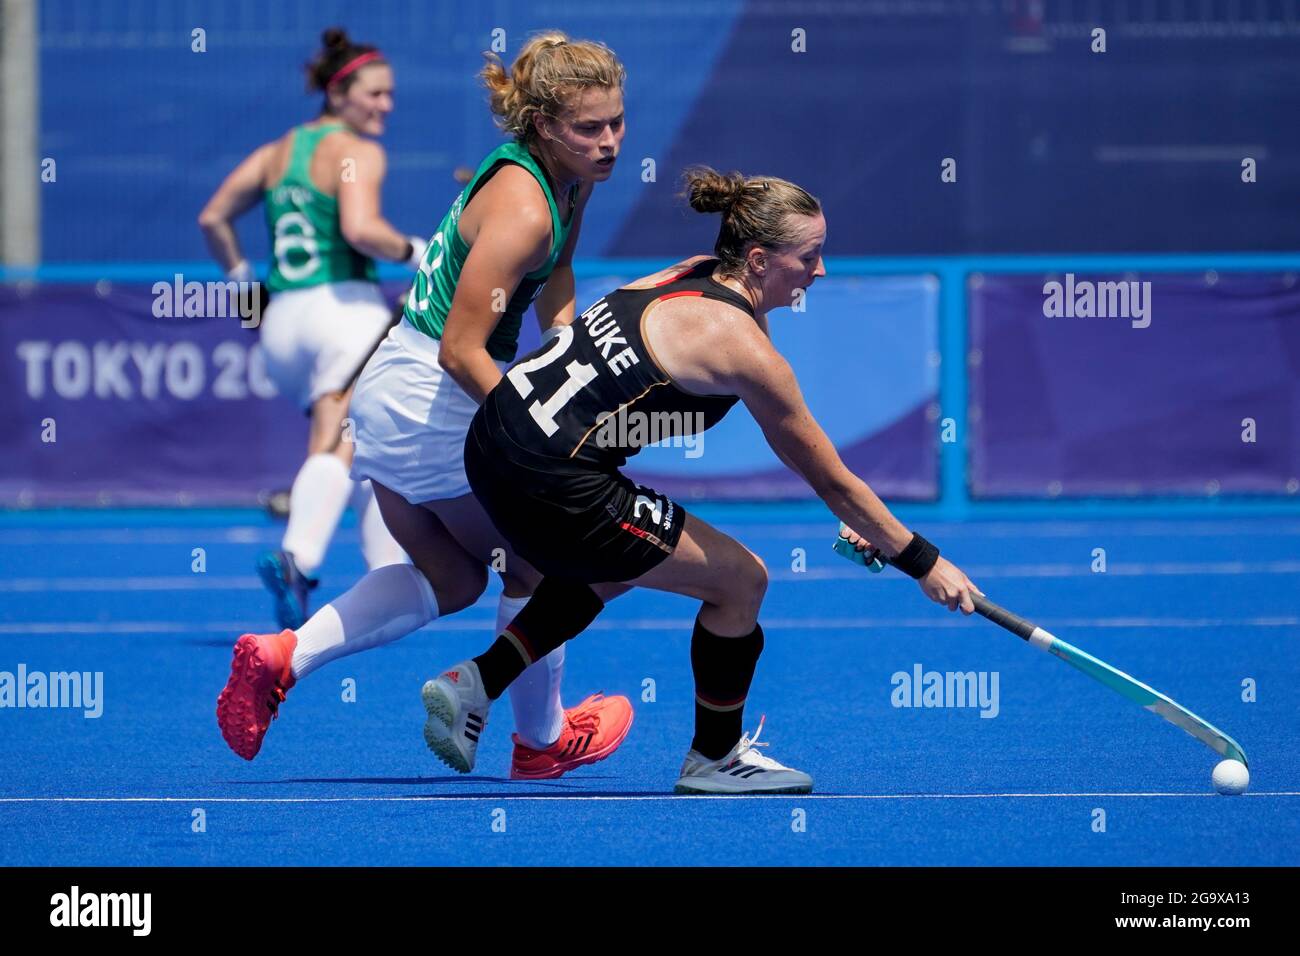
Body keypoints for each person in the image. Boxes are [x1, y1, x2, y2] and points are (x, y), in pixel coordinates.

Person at [419, 167, 984, 794]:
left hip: (492, 438)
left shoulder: (687, 273)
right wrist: (924, 563)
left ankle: (477, 683)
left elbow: (816, 471)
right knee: (741, 580)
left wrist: (856, 522)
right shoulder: (741, 346)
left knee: (620, 562)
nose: (820, 272)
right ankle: (714, 758)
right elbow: (831, 478)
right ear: (761, 259)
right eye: (811, 256)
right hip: (551, 478)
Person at [216, 32, 634, 781]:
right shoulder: (525, 206)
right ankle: (539, 740)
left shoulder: (571, 181)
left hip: (393, 392)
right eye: (589, 128)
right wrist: (549, 422)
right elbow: (462, 350)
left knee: (453, 577)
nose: (608, 143)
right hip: (431, 396)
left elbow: (561, 271)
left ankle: (284, 656)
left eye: (616, 123)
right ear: (543, 126)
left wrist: (574, 363)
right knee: (546, 563)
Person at [198, 28, 418, 629]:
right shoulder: (358, 150)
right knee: (342, 437)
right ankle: (301, 559)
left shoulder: (278, 151)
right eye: (375, 94)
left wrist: (246, 288)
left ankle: (386, 577)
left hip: (282, 326)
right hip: (344, 313)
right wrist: (422, 252)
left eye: (390, 95)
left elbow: (213, 216)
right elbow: (361, 228)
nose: (385, 106)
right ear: (340, 92)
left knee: (372, 440)